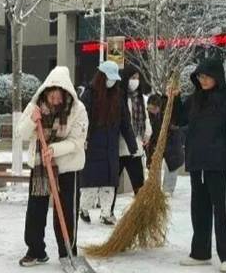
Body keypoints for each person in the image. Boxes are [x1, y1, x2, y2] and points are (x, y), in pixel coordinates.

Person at [173, 57, 226, 273]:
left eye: (206, 77)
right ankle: (200, 252)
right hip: (198, 162)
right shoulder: (196, 99)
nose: (203, 81)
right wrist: (175, 98)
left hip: (220, 164)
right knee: (199, 209)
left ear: (217, 76)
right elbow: (178, 119)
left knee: (223, 211)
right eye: (200, 77)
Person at [16, 66, 88, 267]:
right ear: (46, 93)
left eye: (59, 99)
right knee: (36, 209)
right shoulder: (35, 106)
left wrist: (54, 150)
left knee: (66, 210)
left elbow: (77, 142)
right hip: (40, 166)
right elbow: (21, 134)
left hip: (67, 166)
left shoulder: (77, 109)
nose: (55, 102)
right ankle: (36, 250)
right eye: (52, 98)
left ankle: (67, 252)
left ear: (66, 94)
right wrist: (32, 121)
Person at [79, 61, 138, 225]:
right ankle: (84, 209)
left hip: (111, 147)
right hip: (92, 146)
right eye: (109, 78)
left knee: (109, 184)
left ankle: (106, 213)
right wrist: (82, 140)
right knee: (91, 184)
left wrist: (133, 146)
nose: (112, 82)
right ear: (101, 76)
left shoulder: (117, 95)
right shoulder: (89, 95)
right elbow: (82, 121)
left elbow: (125, 123)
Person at [109, 65, 151, 219]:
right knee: (113, 182)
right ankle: (108, 211)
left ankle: (141, 210)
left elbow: (145, 119)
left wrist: (147, 134)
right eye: (132, 78)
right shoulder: (119, 97)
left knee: (138, 182)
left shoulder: (141, 98)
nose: (135, 81)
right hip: (120, 147)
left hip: (136, 148)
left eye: (137, 78)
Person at [146, 94, 184, 195]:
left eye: (153, 108)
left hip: (172, 141)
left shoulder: (168, 111)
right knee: (154, 163)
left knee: (171, 164)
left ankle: (168, 190)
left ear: (159, 106)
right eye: (149, 108)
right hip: (156, 141)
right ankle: (154, 188)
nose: (151, 111)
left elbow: (176, 123)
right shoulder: (149, 115)